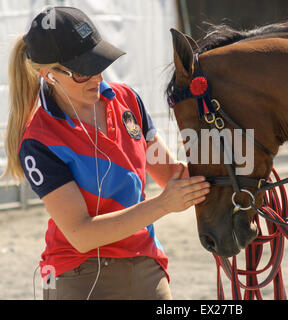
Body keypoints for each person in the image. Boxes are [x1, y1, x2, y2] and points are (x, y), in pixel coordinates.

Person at [3, 6, 210, 300]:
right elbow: (81, 235)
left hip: (145, 265)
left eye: (98, 63)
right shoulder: (38, 141)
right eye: (81, 72)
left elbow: (172, 175)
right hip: (77, 274)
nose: (96, 78)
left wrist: (240, 163)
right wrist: (163, 205)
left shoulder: (128, 100)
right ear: (48, 74)